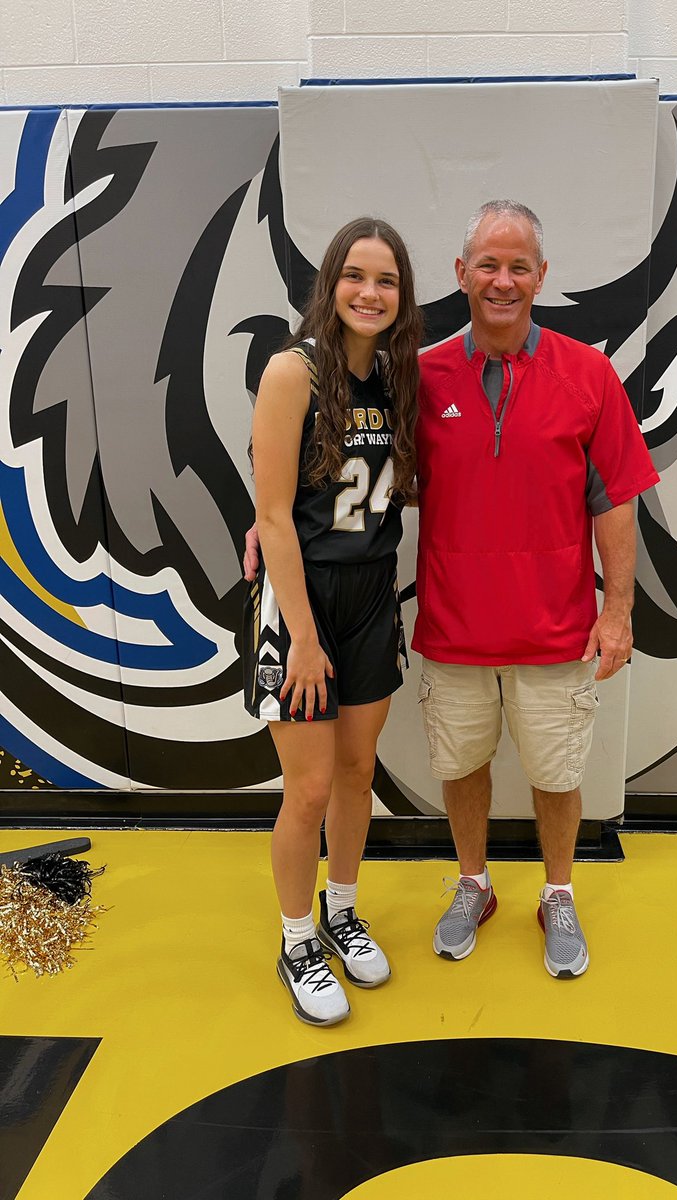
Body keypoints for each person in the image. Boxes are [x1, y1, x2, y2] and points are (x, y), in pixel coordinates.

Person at [414, 200, 659, 979]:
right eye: (488, 263)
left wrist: (617, 613)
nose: (503, 279)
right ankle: (473, 885)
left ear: (542, 277)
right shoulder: (420, 378)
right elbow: (363, 474)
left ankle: (557, 893)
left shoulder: (588, 375)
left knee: (558, 778)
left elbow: (615, 499)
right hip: (452, 630)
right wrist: (272, 517)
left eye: (519, 265)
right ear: (460, 275)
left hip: (556, 631)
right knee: (460, 767)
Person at [244, 216, 422, 1025]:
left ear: (402, 296)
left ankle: (341, 910)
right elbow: (273, 517)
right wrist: (305, 639)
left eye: (386, 280)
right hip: (301, 601)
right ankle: (294, 942)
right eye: (356, 275)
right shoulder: (293, 371)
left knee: (357, 776)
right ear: (330, 283)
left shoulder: (396, 377)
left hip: (372, 592)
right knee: (309, 787)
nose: (370, 292)